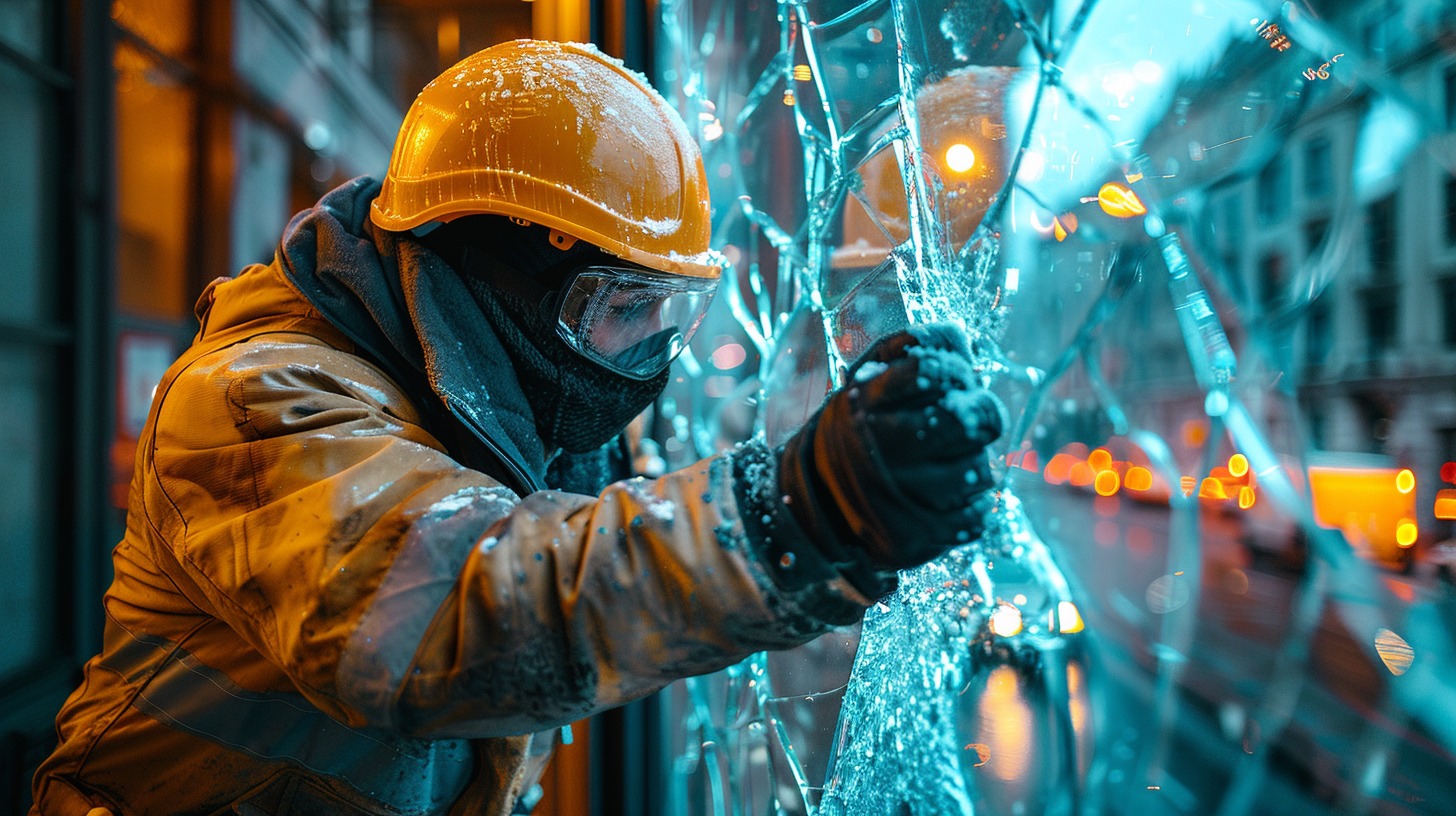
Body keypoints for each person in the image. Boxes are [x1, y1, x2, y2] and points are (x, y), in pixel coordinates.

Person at [31, 39, 1003, 815]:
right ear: (495, 277)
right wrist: (796, 513)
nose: (641, 355)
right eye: (622, 305)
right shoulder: (257, 402)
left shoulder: (490, 413)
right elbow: (463, 606)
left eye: (667, 318)